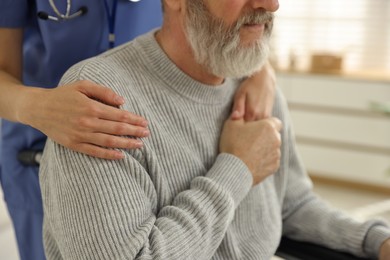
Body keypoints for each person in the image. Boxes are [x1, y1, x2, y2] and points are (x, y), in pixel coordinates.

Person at [40, 0, 390, 259]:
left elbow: (291, 206)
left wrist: (375, 240)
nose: (271, 5)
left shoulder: (253, 83)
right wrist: (237, 167)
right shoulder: (100, 101)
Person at [0, 1, 277, 260]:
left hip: (153, 126)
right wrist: (36, 106)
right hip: (40, 139)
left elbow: (215, 21)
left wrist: (260, 69)